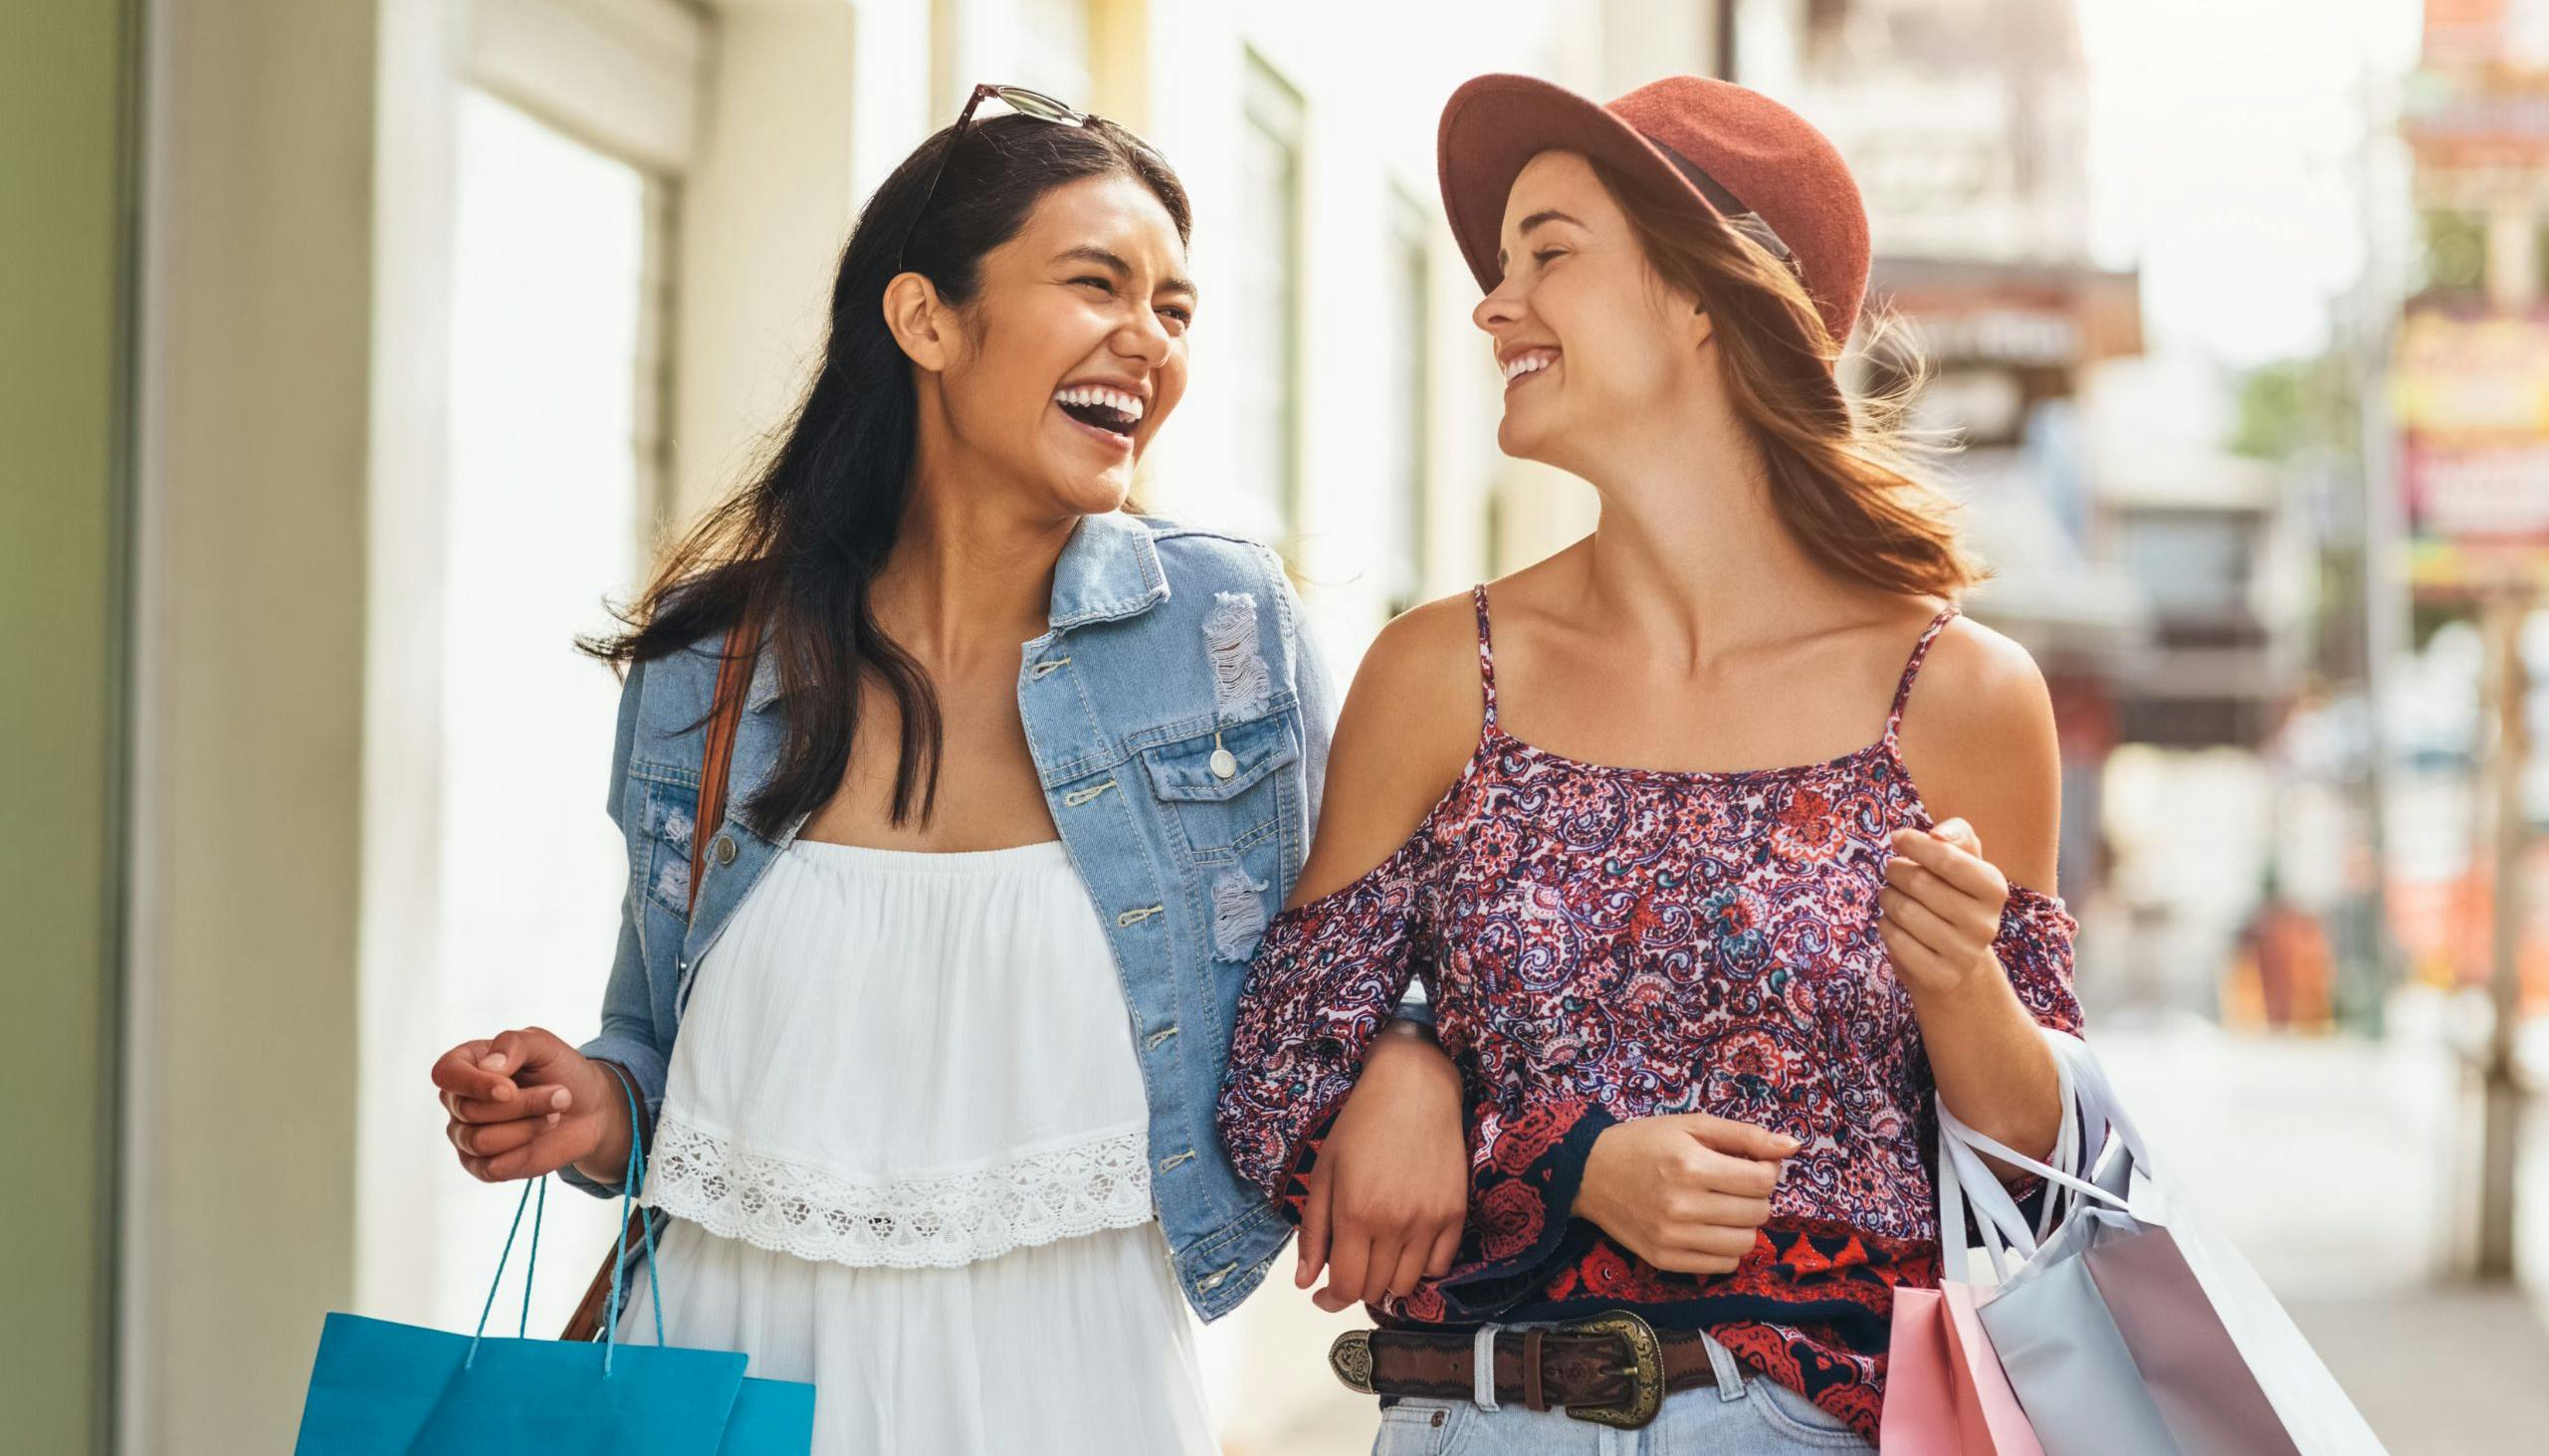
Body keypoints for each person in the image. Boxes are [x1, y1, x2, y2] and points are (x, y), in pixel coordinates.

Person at [426, 86, 1461, 1456]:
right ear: (924, 320)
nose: (1145, 340)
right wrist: (582, 1105)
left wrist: (1412, 1058)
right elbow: (655, 1059)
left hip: (1072, 1378)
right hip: (726, 1372)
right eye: (1097, 283)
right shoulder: (714, 665)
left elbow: (1355, 966)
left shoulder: (1220, 637)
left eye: (1174, 307)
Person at [1218, 74, 2083, 1452]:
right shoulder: (1442, 673)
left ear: (1710, 297)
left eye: (1547, 253)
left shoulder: (1959, 697)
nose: (1493, 305)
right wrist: (1507, 1131)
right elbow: (1270, 1101)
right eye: (1498, 268)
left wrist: (1961, 985)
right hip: (1473, 1420)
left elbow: (2044, 1187)